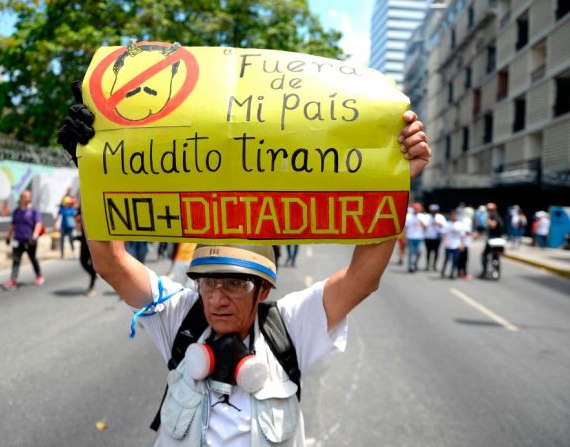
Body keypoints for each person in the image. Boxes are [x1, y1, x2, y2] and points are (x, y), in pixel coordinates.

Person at [58, 85, 431, 445]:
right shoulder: (179, 316)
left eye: (236, 285)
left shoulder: (291, 327)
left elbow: (362, 279)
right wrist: (93, 167)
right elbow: (112, 264)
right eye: (208, 283)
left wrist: (393, 179)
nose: (217, 299)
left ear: (264, 289)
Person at [3, 190, 44, 290]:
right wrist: (8, 236)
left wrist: (34, 236)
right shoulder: (17, 211)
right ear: (21, 198)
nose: (27, 198)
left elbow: (38, 224)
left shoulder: (34, 211)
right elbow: (13, 225)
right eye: (25, 196)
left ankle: (39, 275)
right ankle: (13, 280)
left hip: (30, 240)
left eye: (28, 196)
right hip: (18, 240)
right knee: (16, 260)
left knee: (33, 258)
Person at [75, 207, 97, 297]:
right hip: (84, 239)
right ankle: (93, 274)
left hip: (94, 239)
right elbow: (77, 219)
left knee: (93, 264)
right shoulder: (81, 206)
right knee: (83, 261)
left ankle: (92, 287)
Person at [479, 202, 504, 279]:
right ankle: (494, 271)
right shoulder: (494, 216)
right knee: (495, 257)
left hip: (493, 240)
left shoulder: (494, 216)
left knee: (485, 256)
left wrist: (488, 220)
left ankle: (485, 271)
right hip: (495, 240)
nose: (489, 211)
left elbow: (493, 225)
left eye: (490, 209)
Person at [440, 210, 466, 279]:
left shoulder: (460, 224)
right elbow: (443, 234)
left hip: (456, 245)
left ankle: (452, 272)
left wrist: (462, 244)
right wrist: (445, 241)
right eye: (453, 215)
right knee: (447, 258)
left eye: (455, 215)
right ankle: (443, 270)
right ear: (451, 216)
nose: (454, 217)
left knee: (455, 259)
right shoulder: (447, 224)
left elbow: (462, 235)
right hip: (448, 245)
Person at [404, 202, 426, 273]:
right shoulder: (408, 216)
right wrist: (405, 237)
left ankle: (415, 263)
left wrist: (422, 223)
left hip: (419, 238)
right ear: (413, 209)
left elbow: (426, 227)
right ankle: (410, 267)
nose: (417, 210)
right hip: (411, 237)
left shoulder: (422, 216)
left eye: (418, 209)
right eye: (415, 209)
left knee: (419, 252)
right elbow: (405, 227)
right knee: (411, 252)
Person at [423, 204, 445, 271]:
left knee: (436, 252)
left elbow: (444, 226)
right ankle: (427, 265)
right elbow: (424, 225)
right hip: (428, 236)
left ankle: (434, 265)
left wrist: (438, 223)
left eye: (435, 210)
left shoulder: (440, 217)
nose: (434, 212)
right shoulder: (427, 216)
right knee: (428, 252)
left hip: (437, 237)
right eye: (432, 210)